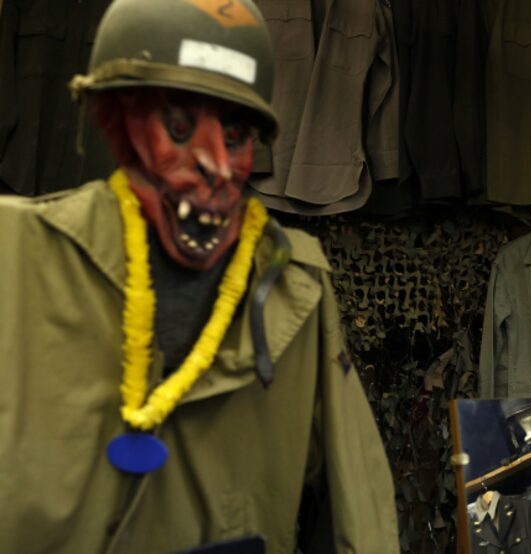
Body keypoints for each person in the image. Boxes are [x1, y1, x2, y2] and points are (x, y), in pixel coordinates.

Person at [0, 0, 398, 552]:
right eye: (179, 125)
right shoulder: (13, 256)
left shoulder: (295, 286)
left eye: (235, 134)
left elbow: (355, 516)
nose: (213, 161)